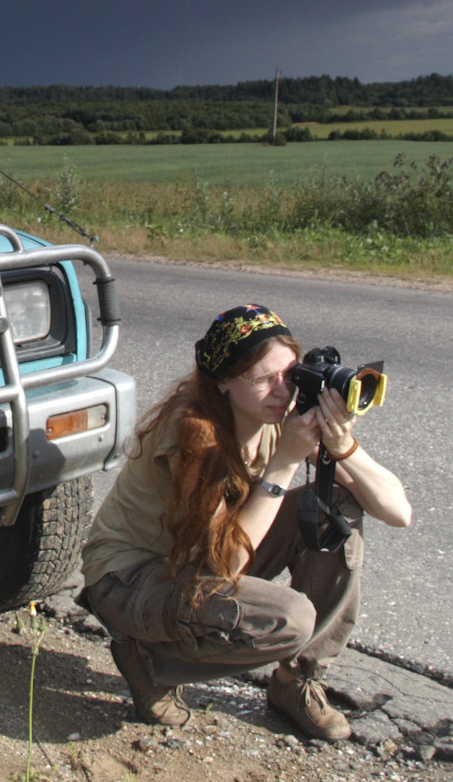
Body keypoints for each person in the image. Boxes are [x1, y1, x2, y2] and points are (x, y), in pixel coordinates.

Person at [79, 304, 413, 738]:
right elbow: (228, 563)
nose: (282, 392)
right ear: (222, 382)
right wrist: (285, 462)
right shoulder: (194, 433)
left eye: (289, 375)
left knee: (338, 509)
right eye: (263, 380)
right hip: (132, 579)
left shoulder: (276, 418)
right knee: (288, 620)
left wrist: (343, 444)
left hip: (201, 558)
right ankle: (148, 657)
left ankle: (296, 681)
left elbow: (397, 512)